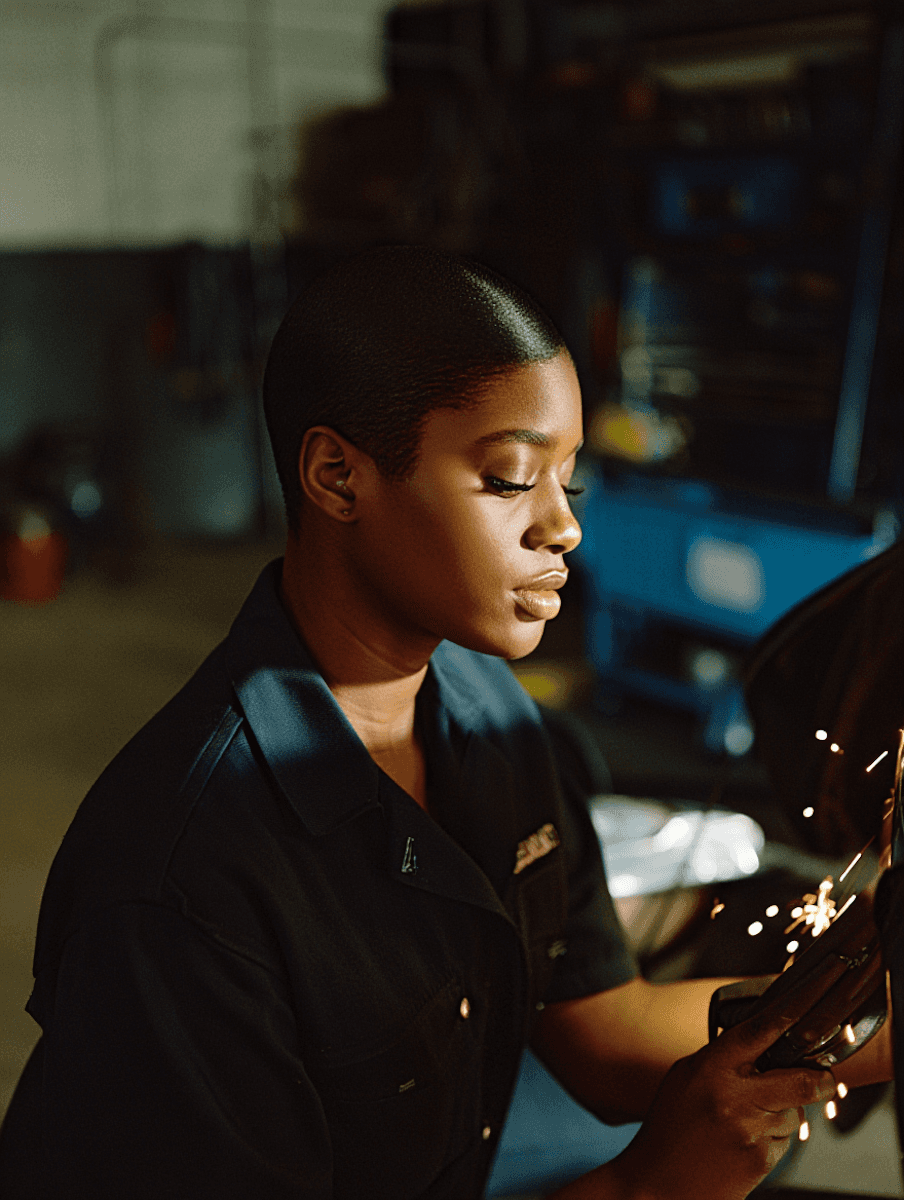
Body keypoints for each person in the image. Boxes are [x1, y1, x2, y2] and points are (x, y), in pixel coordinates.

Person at [0, 245, 890, 1199]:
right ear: (339, 477)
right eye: (510, 479)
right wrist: (648, 1187)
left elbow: (600, 1029)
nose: (563, 528)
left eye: (570, 481)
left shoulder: (484, 711)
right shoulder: (184, 887)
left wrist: (871, 1023)